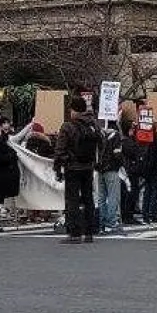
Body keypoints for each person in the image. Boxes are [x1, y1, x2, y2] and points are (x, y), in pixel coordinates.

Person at [54, 97, 101, 245]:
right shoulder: (93, 125)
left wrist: (58, 167)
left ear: (74, 110)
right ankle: (89, 232)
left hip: (73, 167)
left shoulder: (68, 127)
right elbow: (101, 143)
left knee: (72, 200)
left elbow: (60, 149)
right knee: (88, 198)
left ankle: (74, 232)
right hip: (88, 167)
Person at [97, 122, 125, 234]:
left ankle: (101, 222)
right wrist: (121, 164)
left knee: (101, 197)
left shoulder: (99, 134)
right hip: (112, 169)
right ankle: (112, 222)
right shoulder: (115, 135)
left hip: (100, 169)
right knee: (113, 196)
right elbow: (117, 154)